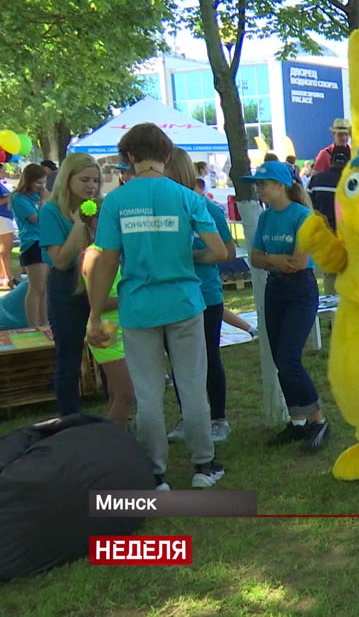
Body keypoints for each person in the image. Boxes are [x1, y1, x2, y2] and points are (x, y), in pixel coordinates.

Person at [87, 123, 228, 490]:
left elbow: (106, 261)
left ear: (130, 157)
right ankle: (204, 465)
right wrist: (187, 254)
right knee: (192, 387)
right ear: (167, 156)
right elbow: (219, 251)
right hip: (183, 301)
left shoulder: (115, 201)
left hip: (138, 307)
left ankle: (155, 473)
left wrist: (95, 313)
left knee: (148, 394)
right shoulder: (187, 196)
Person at [244, 160, 330, 451]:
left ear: (281, 185)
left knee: (289, 358)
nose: (259, 190)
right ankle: (297, 422)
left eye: (263, 184)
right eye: (257, 184)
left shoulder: (303, 216)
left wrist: (273, 260)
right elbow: (255, 258)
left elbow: (298, 262)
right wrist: (274, 261)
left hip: (300, 290)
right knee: (280, 358)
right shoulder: (266, 218)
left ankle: (318, 419)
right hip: (275, 289)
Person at [163, 147, 236, 444]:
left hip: (205, 295)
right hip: (172, 295)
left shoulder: (205, 208)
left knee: (208, 357)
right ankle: (187, 416)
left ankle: (218, 418)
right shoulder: (163, 208)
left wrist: (190, 257)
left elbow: (227, 252)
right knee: (178, 361)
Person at [39, 153, 101, 415]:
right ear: (67, 179)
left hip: (99, 286)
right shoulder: (50, 212)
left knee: (109, 355)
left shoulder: (101, 207)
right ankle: (71, 421)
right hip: (66, 289)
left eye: (96, 181)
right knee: (69, 359)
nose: (91, 186)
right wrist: (78, 226)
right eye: (85, 179)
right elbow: (60, 262)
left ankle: (118, 420)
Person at [81, 236, 133, 432]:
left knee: (116, 393)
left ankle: (119, 437)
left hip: (123, 331)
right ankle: (107, 441)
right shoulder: (94, 255)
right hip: (104, 334)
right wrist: (131, 296)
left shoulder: (118, 250)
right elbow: (96, 302)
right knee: (126, 394)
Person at [306, 144, 351, 296]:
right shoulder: (353, 184)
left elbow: (308, 208)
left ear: (331, 160)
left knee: (331, 281)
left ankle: (334, 318)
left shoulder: (316, 180)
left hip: (327, 241)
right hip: (350, 241)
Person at [12, 164, 50, 326]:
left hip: (45, 242)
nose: (42, 187)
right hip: (31, 243)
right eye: (38, 183)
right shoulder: (18, 198)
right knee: (36, 287)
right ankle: (33, 325)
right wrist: (44, 200)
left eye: (44, 183)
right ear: (28, 181)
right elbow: (37, 219)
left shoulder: (37, 196)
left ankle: (45, 322)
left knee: (45, 289)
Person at [0, 168, 14, 289]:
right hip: (2, 217)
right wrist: (9, 198)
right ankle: (8, 277)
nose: (4, 172)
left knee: (4, 248)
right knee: (6, 247)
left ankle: (3, 276)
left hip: (6, 217)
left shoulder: (1, 184)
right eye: (2, 170)